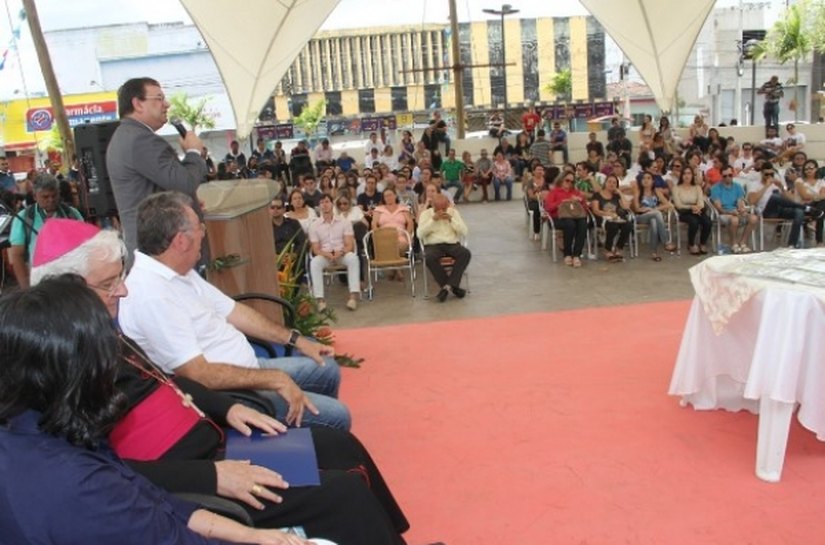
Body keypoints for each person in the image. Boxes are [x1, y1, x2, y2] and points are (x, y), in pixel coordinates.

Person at [27, 222, 412, 545]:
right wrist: (213, 476)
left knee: (339, 443)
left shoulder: (100, 331)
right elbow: (102, 471)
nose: (122, 291)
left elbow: (167, 380)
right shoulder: (57, 366)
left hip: (217, 439)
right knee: (342, 493)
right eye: (110, 283)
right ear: (70, 290)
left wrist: (229, 406)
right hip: (194, 476)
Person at [0, 276, 315, 545]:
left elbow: (158, 501)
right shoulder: (82, 486)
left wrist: (252, 536)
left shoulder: (50, 430)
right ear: (77, 372)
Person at [119, 192, 350, 430]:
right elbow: (198, 374)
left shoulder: (177, 270)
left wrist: (297, 340)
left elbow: (235, 312)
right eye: (200, 228)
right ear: (181, 241)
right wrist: (275, 379)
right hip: (231, 395)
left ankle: (315, 437)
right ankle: (320, 439)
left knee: (327, 368)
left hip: (247, 369)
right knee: (338, 416)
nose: (203, 234)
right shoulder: (152, 295)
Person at [106, 77, 207, 262]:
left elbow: (164, 188)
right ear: (138, 104)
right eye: (159, 98)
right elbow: (185, 183)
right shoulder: (139, 140)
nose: (166, 104)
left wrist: (184, 203)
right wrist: (194, 152)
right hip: (159, 252)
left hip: (155, 250)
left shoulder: (129, 136)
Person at [8, 172, 83, 288]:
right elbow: (17, 256)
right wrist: (26, 289)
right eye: (45, 197)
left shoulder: (72, 214)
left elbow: (85, 245)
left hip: (71, 280)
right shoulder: (24, 218)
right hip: (38, 283)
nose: (51, 200)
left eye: (54, 195)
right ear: (34, 196)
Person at [747, 162, 821, 248]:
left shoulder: (776, 184)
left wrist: (782, 187)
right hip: (766, 211)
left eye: (771, 174)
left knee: (799, 212)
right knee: (774, 197)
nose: (769, 176)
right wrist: (766, 186)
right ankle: (806, 208)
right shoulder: (755, 185)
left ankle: (792, 244)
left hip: (780, 210)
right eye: (766, 174)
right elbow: (752, 201)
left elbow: (789, 200)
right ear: (761, 174)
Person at [308, 194, 360, 312]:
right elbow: (315, 249)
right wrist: (326, 254)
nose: (324, 205)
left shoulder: (344, 222)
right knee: (315, 262)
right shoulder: (314, 225)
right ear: (319, 206)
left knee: (352, 258)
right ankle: (320, 300)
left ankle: (353, 297)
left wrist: (340, 252)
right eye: (322, 202)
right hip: (324, 255)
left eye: (327, 202)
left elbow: (349, 245)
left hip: (342, 253)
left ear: (332, 204)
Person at [417, 193, 470, 302]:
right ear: (433, 206)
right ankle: (453, 287)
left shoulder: (453, 213)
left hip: (452, 243)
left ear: (448, 205)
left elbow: (464, 231)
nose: (442, 211)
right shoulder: (426, 214)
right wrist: (433, 220)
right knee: (429, 257)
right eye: (439, 209)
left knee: (465, 253)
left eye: (444, 208)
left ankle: (446, 287)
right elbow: (419, 234)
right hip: (433, 244)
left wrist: (451, 220)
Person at [544, 172, 589, 267]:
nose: (569, 183)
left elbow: (584, 207)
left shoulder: (575, 192)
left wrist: (579, 201)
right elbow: (548, 208)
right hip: (558, 217)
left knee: (583, 223)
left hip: (575, 216)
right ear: (561, 180)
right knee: (570, 224)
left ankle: (577, 254)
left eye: (572, 181)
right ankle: (567, 253)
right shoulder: (554, 192)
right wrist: (561, 202)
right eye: (567, 180)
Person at [709, 165, 757, 253]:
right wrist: (730, 212)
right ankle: (733, 243)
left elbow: (740, 202)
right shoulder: (715, 188)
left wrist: (741, 209)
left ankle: (743, 242)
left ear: (733, 175)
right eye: (725, 176)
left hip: (735, 211)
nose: (728, 178)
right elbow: (719, 208)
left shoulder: (738, 187)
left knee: (753, 218)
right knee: (734, 220)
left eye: (730, 175)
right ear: (721, 176)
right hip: (724, 213)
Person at [633, 171, 676, 261]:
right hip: (641, 217)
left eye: (649, 178)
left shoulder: (656, 191)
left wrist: (654, 209)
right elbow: (636, 209)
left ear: (653, 181)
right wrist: (647, 210)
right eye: (644, 178)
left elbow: (669, 205)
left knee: (654, 221)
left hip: (654, 216)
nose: (646, 180)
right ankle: (666, 242)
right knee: (657, 214)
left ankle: (654, 253)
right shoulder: (638, 192)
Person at [590, 174, 631, 262]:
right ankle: (608, 249)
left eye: (614, 183)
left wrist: (620, 192)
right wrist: (607, 214)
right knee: (613, 226)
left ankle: (619, 248)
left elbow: (626, 207)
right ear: (605, 183)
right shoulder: (597, 195)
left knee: (628, 225)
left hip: (615, 218)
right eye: (609, 182)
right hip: (602, 218)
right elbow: (595, 210)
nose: (611, 184)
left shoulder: (616, 196)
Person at [672, 167, 712, 255]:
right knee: (694, 222)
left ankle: (702, 243)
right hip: (683, 211)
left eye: (689, 173)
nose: (687, 176)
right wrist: (691, 207)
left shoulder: (697, 187)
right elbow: (678, 205)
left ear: (692, 176)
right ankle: (691, 244)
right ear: (681, 176)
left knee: (707, 222)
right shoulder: (676, 188)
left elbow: (701, 203)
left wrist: (697, 208)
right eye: (684, 173)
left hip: (697, 210)